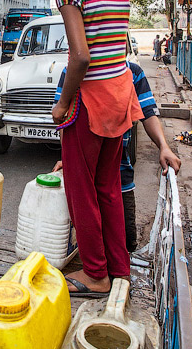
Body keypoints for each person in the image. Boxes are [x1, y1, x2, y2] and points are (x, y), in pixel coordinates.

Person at [50, 0, 143, 298]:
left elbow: (81, 57)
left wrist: (62, 103)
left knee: (81, 191)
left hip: (88, 101)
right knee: (108, 187)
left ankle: (95, 274)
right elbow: (114, 50)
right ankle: (119, 268)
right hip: (120, 96)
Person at [54, 60, 181, 251]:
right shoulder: (71, 73)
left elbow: (148, 112)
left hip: (121, 181)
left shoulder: (132, 72)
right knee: (88, 243)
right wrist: (68, 158)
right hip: (86, 183)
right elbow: (66, 121)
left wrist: (164, 146)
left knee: (125, 243)